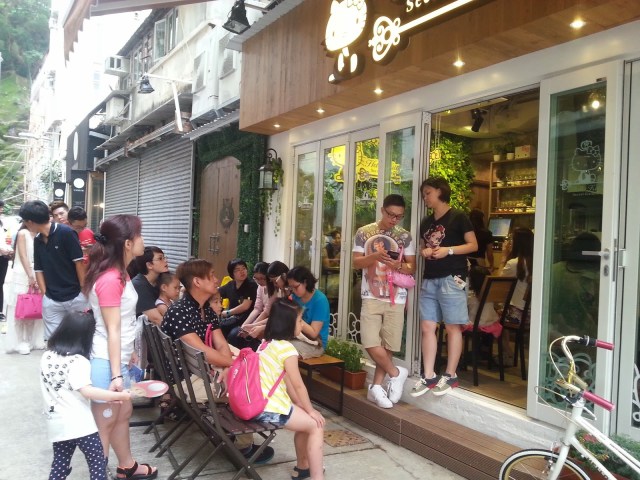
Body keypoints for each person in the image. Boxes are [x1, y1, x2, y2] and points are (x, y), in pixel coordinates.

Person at [161, 258, 274, 464]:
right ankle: (243, 447)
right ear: (197, 282)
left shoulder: (204, 309)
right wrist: (234, 366)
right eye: (212, 275)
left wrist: (226, 366)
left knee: (243, 374)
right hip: (186, 382)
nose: (216, 279)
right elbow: (203, 350)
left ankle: (233, 433)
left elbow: (220, 343)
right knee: (245, 387)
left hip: (198, 373)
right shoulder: (180, 311)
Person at [82, 214, 158, 479]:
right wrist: (116, 375)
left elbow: (122, 324)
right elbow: (112, 329)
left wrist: (130, 352)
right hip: (106, 363)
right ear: (127, 243)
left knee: (122, 412)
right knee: (104, 423)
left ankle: (127, 465)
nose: (143, 240)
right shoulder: (111, 279)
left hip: (116, 359)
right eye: (140, 235)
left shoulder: (121, 273)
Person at [41, 311, 132, 480]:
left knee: (60, 463)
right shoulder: (79, 361)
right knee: (97, 463)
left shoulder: (46, 357)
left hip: (56, 423)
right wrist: (119, 396)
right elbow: (87, 391)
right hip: (80, 425)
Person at [412, 177, 478, 397]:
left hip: (452, 277)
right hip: (430, 278)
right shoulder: (426, 222)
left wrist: (448, 250)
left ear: (440, 191)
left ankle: (450, 375)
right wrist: (424, 251)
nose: (425, 197)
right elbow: (423, 246)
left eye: (428, 192)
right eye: (424, 194)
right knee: (427, 326)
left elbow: (473, 245)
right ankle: (429, 375)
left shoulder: (458, 217)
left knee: (452, 326)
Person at [352, 194, 415, 408]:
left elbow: (412, 267)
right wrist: (375, 257)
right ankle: (396, 373)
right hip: (370, 294)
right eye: (390, 215)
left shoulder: (404, 236)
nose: (394, 220)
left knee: (388, 345)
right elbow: (356, 263)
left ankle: (376, 388)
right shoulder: (364, 232)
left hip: (396, 297)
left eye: (399, 216)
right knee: (370, 342)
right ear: (382, 210)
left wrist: (398, 265)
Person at [254, 298, 325, 480]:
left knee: (306, 420)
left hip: (258, 405)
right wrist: (311, 410)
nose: (302, 324)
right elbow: (298, 384)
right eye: (300, 320)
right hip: (271, 410)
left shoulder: (266, 344)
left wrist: (301, 406)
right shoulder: (287, 349)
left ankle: (302, 468)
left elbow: (284, 380)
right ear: (288, 323)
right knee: (317, 425)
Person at [19, 200, 87, 341]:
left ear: (30, 222)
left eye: (25, 221)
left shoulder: (66, 232)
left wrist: (82, 291)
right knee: (54, 341)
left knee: (77, 340)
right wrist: (45, 295)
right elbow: (39, 269)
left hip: (74, 296)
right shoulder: (38, 239)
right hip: (52, 300)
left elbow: (79, 263)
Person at [4, 223, 45, 354]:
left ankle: (32, 339)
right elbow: (23, 257)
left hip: (38, 273)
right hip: (23, 274)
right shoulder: (23, 234)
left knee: (35, 307)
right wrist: (30, 276)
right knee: (21, 308)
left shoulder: (41, 234)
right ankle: (21, 341)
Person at [287, 266, 330, 359]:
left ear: (305, 282)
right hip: (297, 337)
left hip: (316, 344)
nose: (293, 291)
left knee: (287, 351)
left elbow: (314, 333)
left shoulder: (320, 300)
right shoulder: (294, 297)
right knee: (275, 345)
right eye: (291, 287)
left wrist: (296, 317)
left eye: (296, 287)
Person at [227, 261, 269, 350]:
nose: (259, 281)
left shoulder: (252, 285)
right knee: (235, 333)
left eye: (262, 278)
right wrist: (244, 327)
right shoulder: (260, 287)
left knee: (243, 336)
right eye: (256, 278)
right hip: (257, 319)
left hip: (269, 320)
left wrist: (252, 326)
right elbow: (257, 308)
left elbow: (266, 312)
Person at [217, 258, 258, 338]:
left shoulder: (251, 285)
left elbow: (245, 306)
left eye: (243, 268)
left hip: (247, 319)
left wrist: (227, 313)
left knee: (233, 334)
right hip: (233, 319)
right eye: (238, 270)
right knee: (218, 327)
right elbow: (217, 293)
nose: (242, 272)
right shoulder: (230, 285)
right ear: (232, 274)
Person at [128, 246, 169, 326]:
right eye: (160, 258)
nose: (165, 261)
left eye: (164, 257)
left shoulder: (161, 280)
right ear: (149, 265)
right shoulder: (138, 285)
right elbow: (156, 318)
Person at [0, 199, 13, 325]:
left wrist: (8, 250)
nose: (1, 210)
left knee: (0, 283)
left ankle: (0, 311)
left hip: (3, 258)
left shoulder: (3, 223)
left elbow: (6, 240)